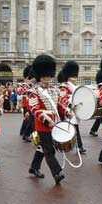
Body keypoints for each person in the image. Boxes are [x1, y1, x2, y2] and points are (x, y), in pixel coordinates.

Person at [27, 54, 66, 184]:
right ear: (39, 76)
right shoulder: (33, 91)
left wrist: (67, 111)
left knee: (43, 148)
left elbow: (58, 105)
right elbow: (34, 109)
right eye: (44, 76)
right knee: (49, 150)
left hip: (54, 124)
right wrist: (46, 119)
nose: (47, 79)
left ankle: (34, 167)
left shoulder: (54, 90)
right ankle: (57, 173)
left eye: (49, 76)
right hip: (43, 125)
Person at [58, 60, 85, 153]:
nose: (75, 78)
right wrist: (70, 106)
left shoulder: (74, 86)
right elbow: (62, 99)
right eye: (73, 76)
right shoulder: (64, 86)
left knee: (72, 128)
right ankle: (79, 146)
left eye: (75, 75)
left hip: (75, 111)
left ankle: (73, 145)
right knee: (73, 129)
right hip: (68, 111)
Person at [89, 69, 102, 137]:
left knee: (100, 118)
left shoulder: (101, 84)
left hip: (101, 101)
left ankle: (93, 130)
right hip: (101, 102)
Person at [18, 65, 34, 143]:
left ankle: (23, 132)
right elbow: (20, 92)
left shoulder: (31, 85)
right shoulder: (24, 86)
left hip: (30, 105)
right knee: (29, 121)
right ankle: (26, 134)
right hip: (26, 105)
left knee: (27, 120)